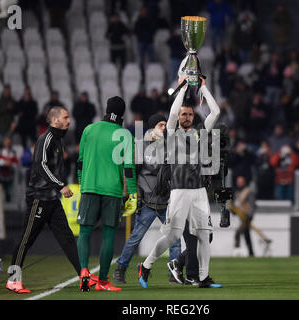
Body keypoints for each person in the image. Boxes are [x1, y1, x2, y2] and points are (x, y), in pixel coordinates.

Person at [137, 73, 222, 289]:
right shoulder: (172, 133)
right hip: (179, 190)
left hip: (199, 191)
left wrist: (203, 88)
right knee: (172, 235)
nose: (186, 116)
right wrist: (183, 88)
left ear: (193, 116)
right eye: (184, 114)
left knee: (204, 234)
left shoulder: (200, 133)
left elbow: (216, 111)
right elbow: (173, 112)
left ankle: (203, 278)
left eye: (189, 114)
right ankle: (146, 266)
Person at [6, 106, 81, 294]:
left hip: (52, 199)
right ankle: (12, 281)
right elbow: (40, 166)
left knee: (68, 239)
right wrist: (60, 185)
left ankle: (84, 275)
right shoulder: (45, 138)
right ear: (55, 120)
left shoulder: (57, 140)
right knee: (26, 239)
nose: (69, 120)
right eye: (65, 117)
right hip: (39, 198)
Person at [76, 96, 137, 292]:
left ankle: (84, 272)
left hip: (89, 188)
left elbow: (80, 162)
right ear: (122, 113)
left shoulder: (88, 129)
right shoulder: (125, 134)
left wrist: (82, 184)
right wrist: (133, 194)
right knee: (109, 235)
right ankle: (102, 281)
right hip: (113, 190)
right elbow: (129, 168)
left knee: (84, 232)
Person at [112, 114, 181, 284]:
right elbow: (131, 172)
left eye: (166, 124)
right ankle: (120, 269)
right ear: (151, 129)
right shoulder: (140, 147)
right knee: (135, 237)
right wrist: (128, 195)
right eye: (161, 125)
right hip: (148, 202)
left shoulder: (170, 148)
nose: (164, 128)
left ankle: (175, 272)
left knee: (175, 239)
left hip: (166, 202)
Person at [232, 175, 256, 257]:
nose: (239, 183)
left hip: (246, 216)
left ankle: (237, 251)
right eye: (238, 182)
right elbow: (236, 206)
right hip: (241, 217)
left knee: (238, 232)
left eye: (241, 182)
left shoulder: (248, 192)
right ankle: (251, 253)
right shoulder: (237, 192)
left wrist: (250, 216)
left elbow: (252, 205)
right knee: (246, 234)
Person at [0, 136, 19, 202]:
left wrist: (11, 164)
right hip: (1, 173)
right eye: (6, 142)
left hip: (10, 174)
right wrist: (4, 163)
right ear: (4, 142)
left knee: (9, 190)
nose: (7, 143)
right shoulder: (0, 150)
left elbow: (16, 162)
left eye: (9, 142)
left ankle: (8, 201)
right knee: (1, 189)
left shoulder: (13, 151)